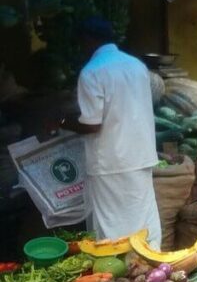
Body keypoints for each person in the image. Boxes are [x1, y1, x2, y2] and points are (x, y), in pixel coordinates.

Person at [60, 17, 161, 248]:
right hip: (141, 155)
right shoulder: (136, 65)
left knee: (113, 227)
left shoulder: (91, 72)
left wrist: (64, 122)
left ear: (87, 40)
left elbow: (92, 124)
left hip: (110, 162)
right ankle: (155, 265)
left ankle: (119, 275)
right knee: (144, 219)